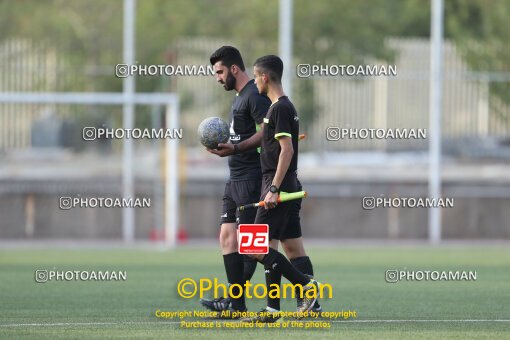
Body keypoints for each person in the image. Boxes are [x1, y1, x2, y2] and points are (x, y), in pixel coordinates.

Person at [239, 55, 320, 323]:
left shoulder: (279, 108)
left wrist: (273, 188)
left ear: (264, 77)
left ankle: (306, 287)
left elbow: (287, 150)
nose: (253, 81)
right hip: (283, 184)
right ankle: (279, 309)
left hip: (279, 187)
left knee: (253, 246)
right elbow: (279, 146)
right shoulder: (281, 108)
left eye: (255, 76)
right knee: (291, 248)